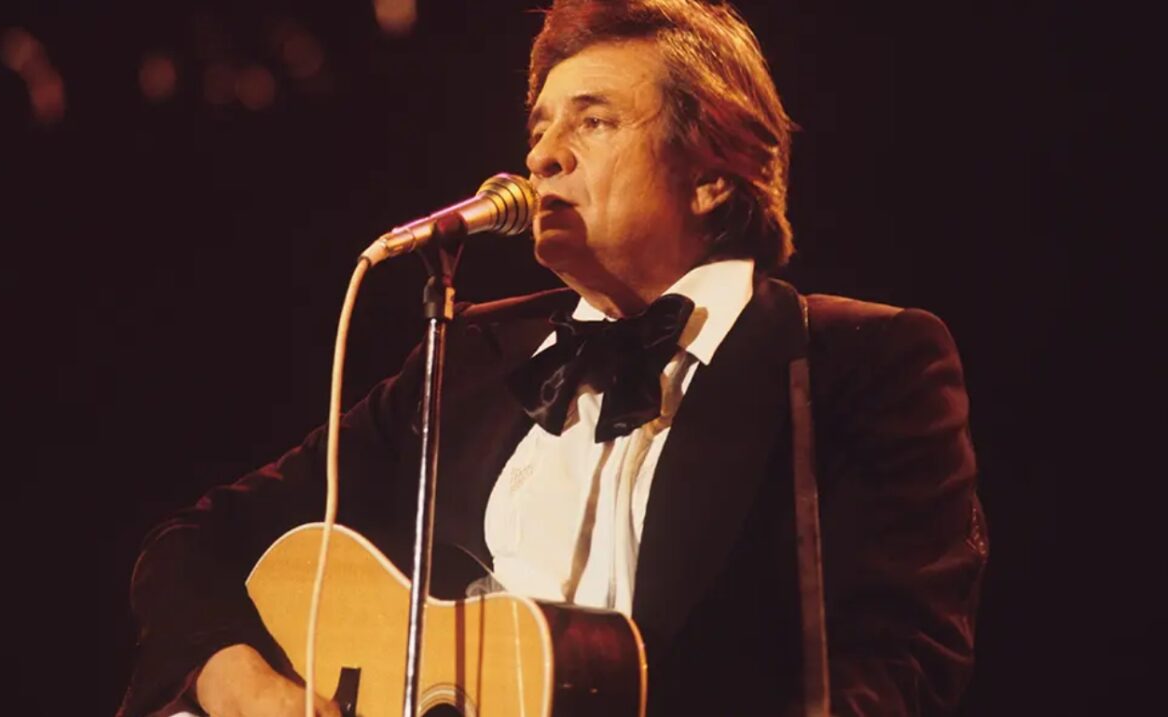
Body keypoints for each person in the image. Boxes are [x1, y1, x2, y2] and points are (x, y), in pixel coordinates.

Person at [118, 1, 988, 715]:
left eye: (593, 120)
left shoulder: (854, 360)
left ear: (713, 174)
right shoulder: (467, 359)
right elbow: (192, 547)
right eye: (539, 127)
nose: (541, 155)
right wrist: (247, 688)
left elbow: (903, 665)